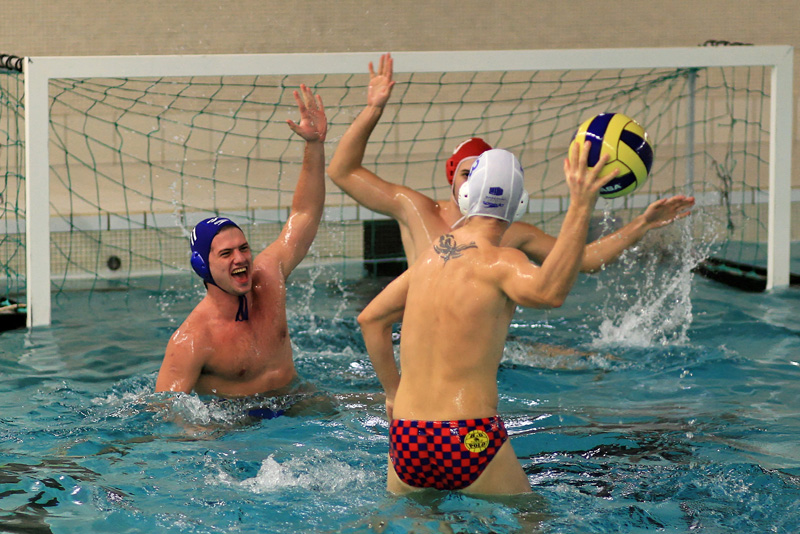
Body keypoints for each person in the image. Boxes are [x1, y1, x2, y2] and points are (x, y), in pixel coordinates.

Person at [358, 145, 615, 495]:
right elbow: (549, 293)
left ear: (465, 196)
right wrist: (580, 207)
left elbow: (371, 319)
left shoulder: (431, 255)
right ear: (520, 204)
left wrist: (392, 394)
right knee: (531, 521)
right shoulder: (502, 261)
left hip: (406, 437)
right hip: (467, 437)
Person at [327, 53, 695, 268]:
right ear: (452, 178)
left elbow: (582, 260)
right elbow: (342, 171)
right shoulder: (415, 208)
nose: (475, 182)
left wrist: (643, 224)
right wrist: (373, 109)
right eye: (469, 173)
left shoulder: (511, 232)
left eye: (482, 174)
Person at [155, 84, 327, 399]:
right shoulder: (193, 339)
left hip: (295, 401)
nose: (241, 258)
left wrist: (314, 145)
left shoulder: (270, 277)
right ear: (202, 266)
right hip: (236, 426)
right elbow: (164, 411)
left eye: (244, 248)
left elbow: (304, 215)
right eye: (226, 253)